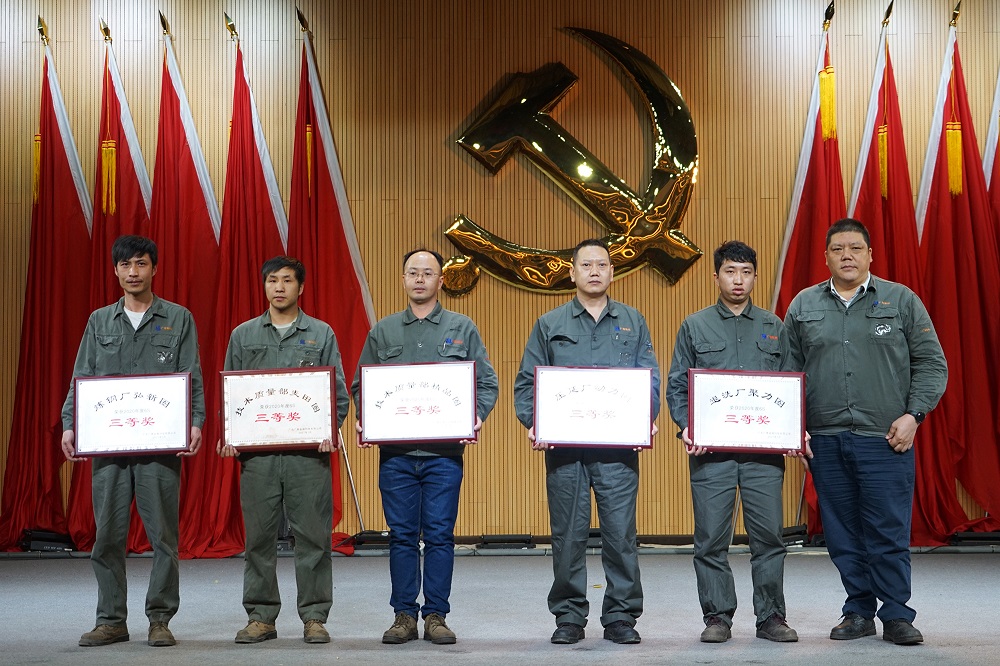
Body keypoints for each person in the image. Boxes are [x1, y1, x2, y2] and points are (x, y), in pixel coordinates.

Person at [784, 218, 947, 646]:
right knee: (841, 533)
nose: (847, 256)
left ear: (870, 255)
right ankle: (858, 610)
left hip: (886, 439)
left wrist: (914, 415)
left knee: (888, 531)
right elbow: (786, 372)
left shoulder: (901, 300)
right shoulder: (803, 305)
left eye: (855, 248)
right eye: (838, 249)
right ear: (826, 257)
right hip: (824, 439)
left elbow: (932, 364)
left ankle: (896, 614)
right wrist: (793, 429)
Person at [513, 238, 660, 646]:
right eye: (586, 265)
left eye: (602, 265)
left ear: (612, 271)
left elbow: (649, 379)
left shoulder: (632, 320)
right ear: (573, 272)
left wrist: (646, 418)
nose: (594, 271)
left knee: (620, 534)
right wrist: (534, 422)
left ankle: (621, 616)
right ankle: (569, 616)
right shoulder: (549, 323)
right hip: (565, 452)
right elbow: (526, 383)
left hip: (618, 451)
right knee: (568, 536)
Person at [60, 235, 205, 648]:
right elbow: (82, 376)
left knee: (164, 538)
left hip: (159, 446)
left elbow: (191, 374)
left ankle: (160, 619)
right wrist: (70, 423)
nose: (133, 272)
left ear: (154, 268)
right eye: (125, 265)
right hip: (109, 447)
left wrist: (195, 422)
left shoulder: (178, 318)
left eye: (141, 264)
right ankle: (111, 620)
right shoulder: (99, 321)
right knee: (107, 536)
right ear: (116, 271)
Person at [351, 249, 498, 645]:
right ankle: (403, 615)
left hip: (443, 456)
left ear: (441, 280)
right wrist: (367, 416)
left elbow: (486, 382)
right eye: (412, 272)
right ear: (403, 279)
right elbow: (361, 384)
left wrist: (476, 415)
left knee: (439, 535)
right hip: (396, 456)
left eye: (428, 273)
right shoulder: (383, 331)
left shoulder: (462, 327)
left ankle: (436, 615)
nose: (419, 279)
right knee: (400, 536)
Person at [665, 241, 800, 644]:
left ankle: (771, 617)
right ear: (716, 276)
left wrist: (794, 428)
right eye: (730, 271)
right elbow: (678, 385)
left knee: (769, 538)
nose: (738, 279)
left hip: (764, 456)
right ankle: (717, 617)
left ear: (755, 277)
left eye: (745, 272)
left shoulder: (775, 326)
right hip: (712, 455)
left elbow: (791, 383)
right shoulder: (695, 325)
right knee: (710, 539)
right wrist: (687, 427)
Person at [218, 256, 349, 645]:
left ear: (300, 287)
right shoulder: (243, 335)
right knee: (258, 540)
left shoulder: (321, 333)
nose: (279, 287)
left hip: (308, 457)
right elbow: (230, 393)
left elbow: (337, 393)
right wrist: (230, 433)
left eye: (287, 280)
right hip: (258, 459)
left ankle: (314, 616)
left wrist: (329, 429)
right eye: (272, 280)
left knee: (313, 539)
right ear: (264, 286)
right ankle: (261, 617)